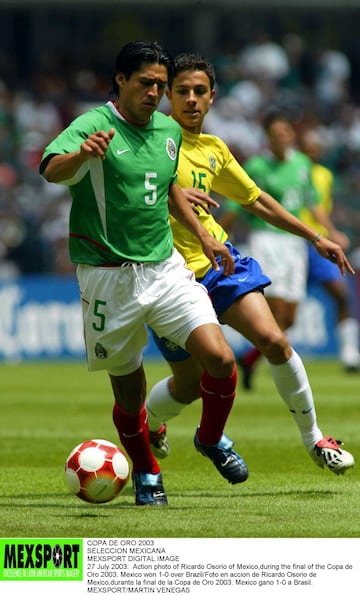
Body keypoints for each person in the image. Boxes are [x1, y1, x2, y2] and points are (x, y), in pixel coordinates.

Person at [39, 40, 250, 507]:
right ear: (121, 81)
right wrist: (82, 156)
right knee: (130, 392)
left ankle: (211, 438)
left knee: (220, 359)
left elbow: (169, 183)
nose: (155, 93)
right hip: (108, 277)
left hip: (165, 268)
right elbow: (52, 169)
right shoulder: (94, 124)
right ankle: (147, 472)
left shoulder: (167, 130)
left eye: (160, 85)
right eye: (146, 83)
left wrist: (204, 234)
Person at [145, 53, 355, 476]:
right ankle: (149, 424)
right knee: (189, 386)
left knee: (275, 341)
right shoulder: (148, 140)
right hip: (167, 276)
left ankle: (315, 439)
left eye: (199, 91)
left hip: (218, 263)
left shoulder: (213, 149)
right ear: (167, 95)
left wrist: (315, 237)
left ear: (212, 97)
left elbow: (256, 200)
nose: (190, 99)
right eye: (181, 91)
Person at [220, 110, 351, 389]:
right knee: (276, 311)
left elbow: (312, 204)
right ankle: (276, 374)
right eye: (274, 134)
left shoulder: (303, 164)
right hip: (267, 240)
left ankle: (250, 357)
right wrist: (217, 235)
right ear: (267, 139)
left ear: (292, 135)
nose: (280, 138)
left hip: (295, 243)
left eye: (284, 132)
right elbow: (239, 204)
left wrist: (331, 231)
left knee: (289, 318)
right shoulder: (256, 167)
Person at [299, 128, 360, 371]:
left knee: (341, 295)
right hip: (297, 242)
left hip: (319, 245)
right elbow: (311, 205)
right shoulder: (294, 169)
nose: (313, 149)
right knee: (283, 314)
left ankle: (349, 353)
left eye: (315, 145)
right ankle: (251, 357)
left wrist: (330, 231)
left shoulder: (325, 175)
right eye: (308, 144)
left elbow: (322, 206)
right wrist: (334, 231)